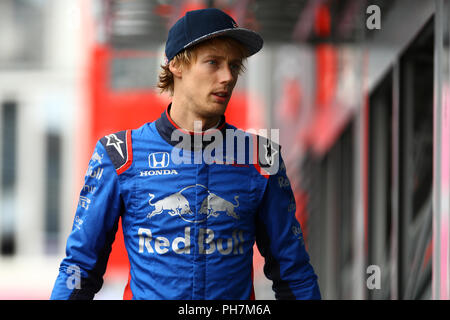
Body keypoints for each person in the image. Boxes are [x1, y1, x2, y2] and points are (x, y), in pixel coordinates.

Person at [50, 8, 321, 300]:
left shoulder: (260, 158)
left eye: (234, 65)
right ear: (176, 65)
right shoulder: (120, 154)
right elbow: (79, 269)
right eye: (213, 63)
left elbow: (294, 274)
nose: (228, 77)